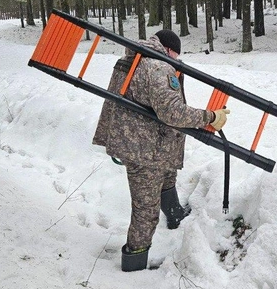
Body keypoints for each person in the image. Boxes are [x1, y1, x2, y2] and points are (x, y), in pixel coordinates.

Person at [93, 29, 230, 272]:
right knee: (146, 209)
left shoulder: (134, 59)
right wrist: (210, 116)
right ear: (168, 50)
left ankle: (175, 214)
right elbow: (172, 112)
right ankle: (134, 262)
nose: (176, 61)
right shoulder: (157, 67)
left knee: (167, 174)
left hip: (143, 142)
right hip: (145, 150)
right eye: (175, 55)